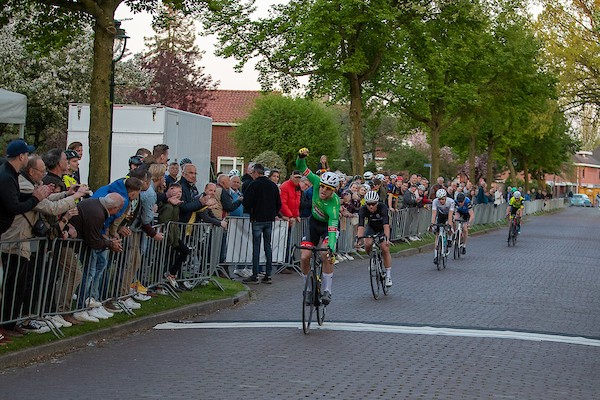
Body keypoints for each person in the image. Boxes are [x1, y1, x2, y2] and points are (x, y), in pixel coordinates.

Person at [69, 193, 125, 323]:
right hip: (77, 243)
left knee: (101, 263)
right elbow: (93, 241)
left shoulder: (97, 205)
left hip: (83, 240)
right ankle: (81, 306)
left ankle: (91, 299)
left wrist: (107, 241)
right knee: (88, 272)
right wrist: (110, 244)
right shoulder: (97, 213)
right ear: (114, 208)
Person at [296, 148, 340, 305]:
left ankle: (327, 290)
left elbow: (333, 229)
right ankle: (308, 289)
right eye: (322, 186)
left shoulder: (334, 204)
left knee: (325, 255)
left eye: (328, 189)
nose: (323, 190)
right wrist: (301, 157)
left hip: (328, 227)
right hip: (313, 224)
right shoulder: (315, 182)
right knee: (304, 256)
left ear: (332, 191)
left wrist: (331, 247)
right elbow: (302, 168)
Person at [0, 139, 52, 236]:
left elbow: (14, 196)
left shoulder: (9, 172)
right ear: (21, 157)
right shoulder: (7, 176)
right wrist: (36, 198)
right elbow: (15, 207)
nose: (28, 158)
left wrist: (31, 195)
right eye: (27, 155)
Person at [242, 163, 281, 284]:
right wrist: (273, 212)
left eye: (253, 173)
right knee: (268, 246)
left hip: (257, 219)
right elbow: (278, 203)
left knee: (256, 247)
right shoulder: (272, 185)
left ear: (256, 173)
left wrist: (253, 209)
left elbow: (247, 202)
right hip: (269, 219)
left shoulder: (254, 185)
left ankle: (255, 274)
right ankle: (268, 274)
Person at [356, 191, 392, 287]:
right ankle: (372, 258)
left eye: (373, 204)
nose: (371, 206)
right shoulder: (363, 210)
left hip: (382, 228)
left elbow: (386, 225)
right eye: (368, 204)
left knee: (385, 248)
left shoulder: (382, 207)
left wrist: (387, 238)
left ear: (377, 203)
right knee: (367, 244)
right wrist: (359, 239)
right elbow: (361, 226)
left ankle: (388, 276)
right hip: (371, 227)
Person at [430, 188, 455, 265]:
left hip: (448, 215)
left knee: (449, 225)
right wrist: (432, 224)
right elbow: (434, 214)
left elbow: (450, 215)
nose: (441, 201)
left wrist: (450, 225)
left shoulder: (451, 202)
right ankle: (435, 256)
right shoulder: (435, 201)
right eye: (439, 199)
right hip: (440, 215)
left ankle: (450, 238)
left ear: (446, 197)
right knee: (437, 235)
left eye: (443, 199)